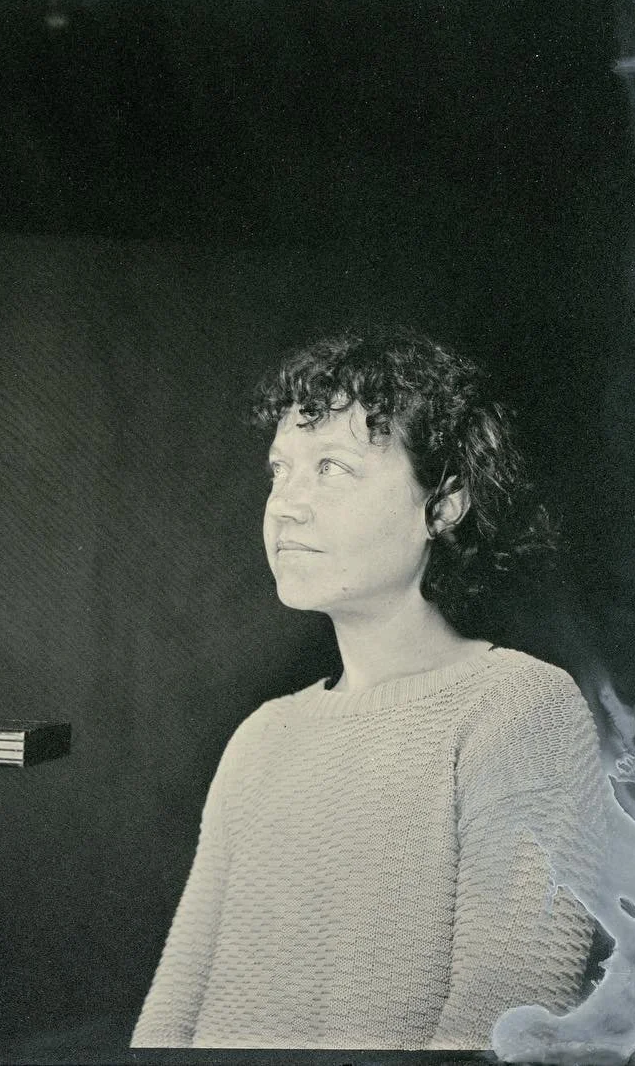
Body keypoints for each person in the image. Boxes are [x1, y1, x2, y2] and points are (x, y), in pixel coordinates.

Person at [131, 327, 605, 1051]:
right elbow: (172, 1013)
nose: (285, 505)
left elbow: (505, 1020)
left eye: (332, 468)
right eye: (279, 471)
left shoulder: (519, 708)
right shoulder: (261, 736)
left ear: (443, 504)